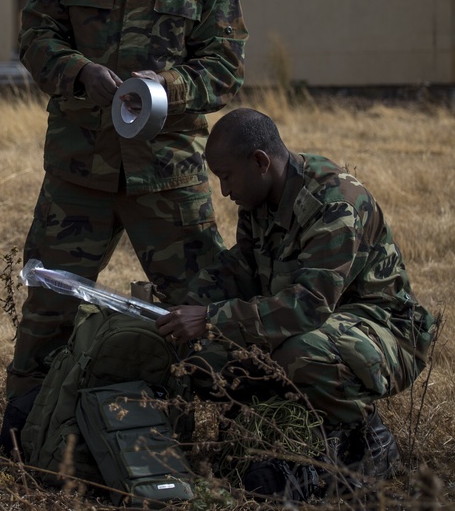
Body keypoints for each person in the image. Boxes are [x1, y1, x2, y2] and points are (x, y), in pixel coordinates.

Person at [0, 0, 247, 451]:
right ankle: (22, 434)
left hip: (166, 177)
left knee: (203, 305)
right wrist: (80, 70)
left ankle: (227, 437)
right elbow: (33, 37)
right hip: (79, 173)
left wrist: (172, 84)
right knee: (49, 304)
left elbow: (225, 68)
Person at [156, 107, 434, 496]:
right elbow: (240, 269)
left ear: (260, 162)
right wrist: (176, 312)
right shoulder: (257, 203)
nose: (223, 191)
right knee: (204, 361)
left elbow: (309, 306)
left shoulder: (334, 202)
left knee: (298, 354)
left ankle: (367, 443)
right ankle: (277, 433)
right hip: (318, 329)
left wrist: (210, 319)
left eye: (226, 177)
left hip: (386, 332)